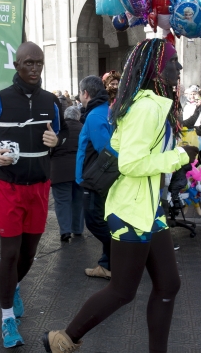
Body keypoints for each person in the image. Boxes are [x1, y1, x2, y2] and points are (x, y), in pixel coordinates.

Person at [44, 38, 197, 353]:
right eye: (172, 61)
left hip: (148, 208)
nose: (179, 67)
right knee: (123, 290)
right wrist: (181, 155)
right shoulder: (146, 107)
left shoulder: (154, 103)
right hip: (130, 210)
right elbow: (130, 163)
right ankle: (63, 339)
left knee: (168, 285)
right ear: (155, 68)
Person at [0, 41, 68, 348]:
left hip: (39, 187)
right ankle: (7, 318)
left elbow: (63, 134)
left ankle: (13, 287)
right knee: (10, 254)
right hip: (8, 186)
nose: (35, 68)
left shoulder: (51, 101)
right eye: (29, 63)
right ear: (17, 65)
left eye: (39, 63)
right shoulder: (0, 99)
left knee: (28, 254)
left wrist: (57, 139)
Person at [75, 75, 115, 280]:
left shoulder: (94, 116)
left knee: (94, 221)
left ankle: (121, 254)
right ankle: (106, 265)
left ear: (86, 93)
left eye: (80, 94)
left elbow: (105, 149)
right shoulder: (107, 111)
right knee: (102, 219)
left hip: (94, 179)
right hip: (99, 178)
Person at [51, 106, 84, 242]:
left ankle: (65, 231)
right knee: (78, 201)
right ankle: (77, 229)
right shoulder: (83, 128)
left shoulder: (58, 129)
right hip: (80, 171)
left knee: (62, 202)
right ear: (78, 116)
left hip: (60, 171)